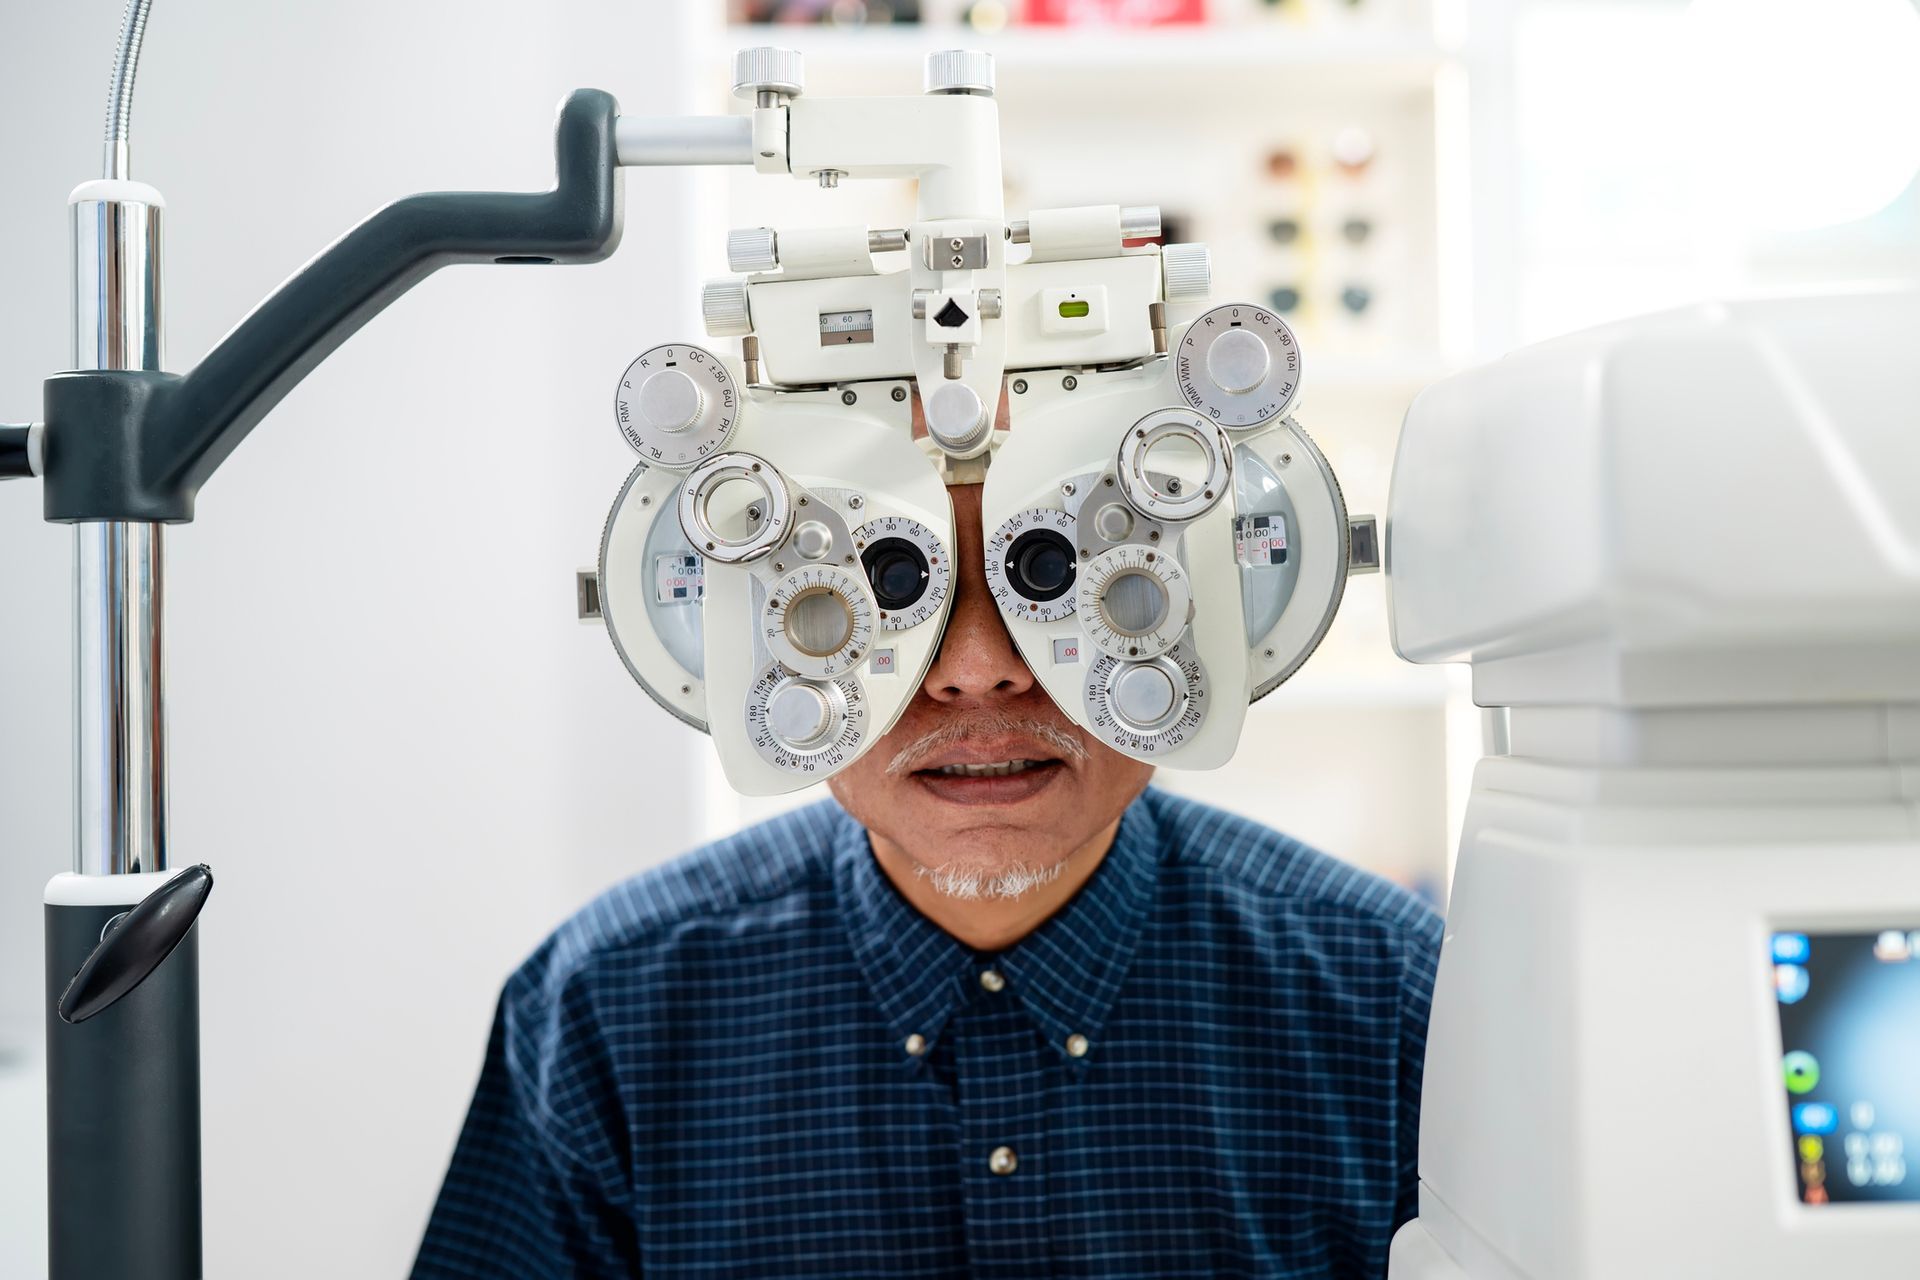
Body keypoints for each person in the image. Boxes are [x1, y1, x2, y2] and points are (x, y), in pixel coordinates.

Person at [412, 478, 1443, 1279]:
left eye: (1056, 574)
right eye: (888, 588)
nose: (978, 667)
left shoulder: (1394, 1000)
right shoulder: (604, 1014)